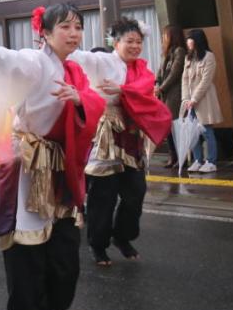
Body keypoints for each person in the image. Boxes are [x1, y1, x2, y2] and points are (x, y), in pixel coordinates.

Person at [0, 3, 105, 310]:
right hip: (27, 164)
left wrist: (80, 97)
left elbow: (94, 98)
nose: (73, 33)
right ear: (45, 33)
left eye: (78, 27)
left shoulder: (72, 69)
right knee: (26, 250)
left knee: (65, 251)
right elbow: (14, 60)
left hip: (58, 166)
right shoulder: (37, 61)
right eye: (66, 27)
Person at [73, 18, 172, 266]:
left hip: (130, 133)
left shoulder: (143, 70)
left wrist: (123, 91)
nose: (135, 46)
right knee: (103, 194)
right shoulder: (102, 61)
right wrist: (53, 39)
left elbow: (146, 92)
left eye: (139, 42)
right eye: (129, 41)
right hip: (105, 130)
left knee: (135, 191)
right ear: (115, 42)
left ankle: (123, 236)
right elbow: (76, 57)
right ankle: (98, 244)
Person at [181, 29, 222, 173]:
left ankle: (211, 161)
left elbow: (206, 81)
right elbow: (184, 80)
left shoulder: (209, 57)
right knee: (192, 133)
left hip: (203, 100)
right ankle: (198, 160)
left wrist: (194, 99)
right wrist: (186, 98)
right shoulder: (188, 57)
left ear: (197, 40)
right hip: (190, 102)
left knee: (207, 131)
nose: (188, 42)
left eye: (190, 39)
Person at [155, 24, 186, 169]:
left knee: (175, 126)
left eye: (165, 34)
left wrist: (161, 87)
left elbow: (175, 73)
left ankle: (181, 157)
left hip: (174, 94)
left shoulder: (179, 51)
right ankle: (172, 156)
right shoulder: (167, 53)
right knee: (168, 127)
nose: (163, 37)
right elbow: (160, 72)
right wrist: (156, 83)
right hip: (164, 94)